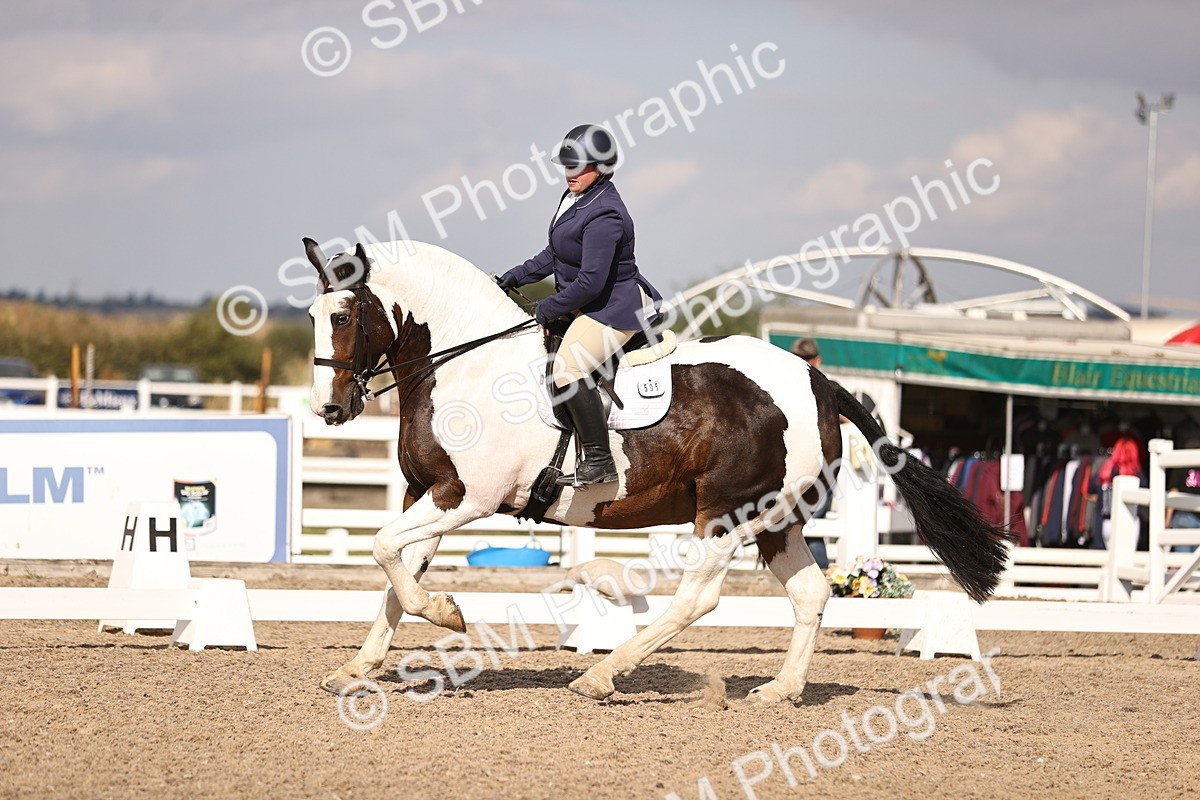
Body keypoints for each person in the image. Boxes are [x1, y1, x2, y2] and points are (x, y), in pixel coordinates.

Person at [495, 124, 662, 487]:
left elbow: (591, 282)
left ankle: (600, 461)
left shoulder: (606, 214)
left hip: (612, 310)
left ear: (601, 168)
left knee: (567, 369)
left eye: (578, 167)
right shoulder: (573, 198)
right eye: (566, 166)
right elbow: (555, 254)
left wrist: (547, 308)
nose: (569, 174)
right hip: (588, 303)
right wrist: (514, 277)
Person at [1165, 434, 1200, 553]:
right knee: (1196, 564)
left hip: (1183, 515)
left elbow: (1174, 492)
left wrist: (1167, 519)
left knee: (1183, 561)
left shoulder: (1181, 465)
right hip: (1194, 514)